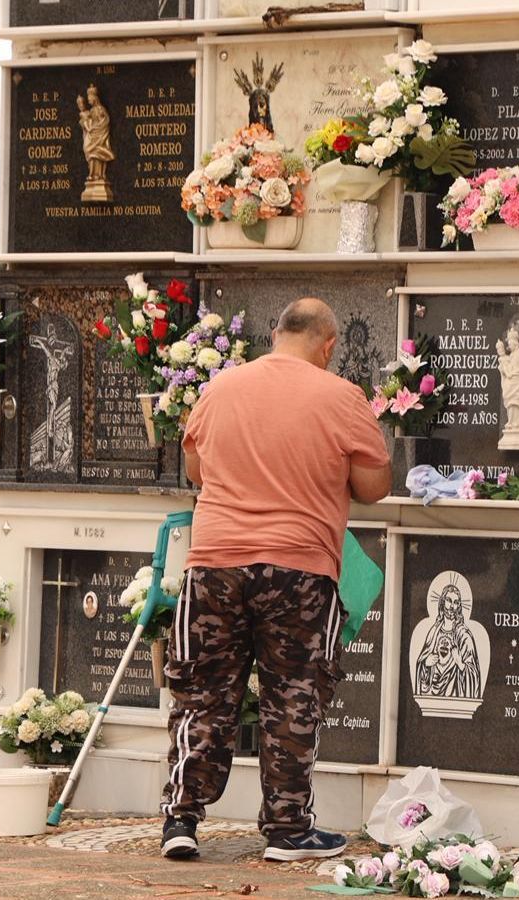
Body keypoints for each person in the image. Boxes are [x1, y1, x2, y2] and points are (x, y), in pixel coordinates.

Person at [160, 297, 391, 863]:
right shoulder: (342, 397)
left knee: (202, 693)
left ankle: (181, 820)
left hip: (214, 565)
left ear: (275, 333)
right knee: (293, 696)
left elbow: (196, 470)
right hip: (298, 569)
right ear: (328, 346)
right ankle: (288, 829)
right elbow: (374, 487)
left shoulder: (219, 388)